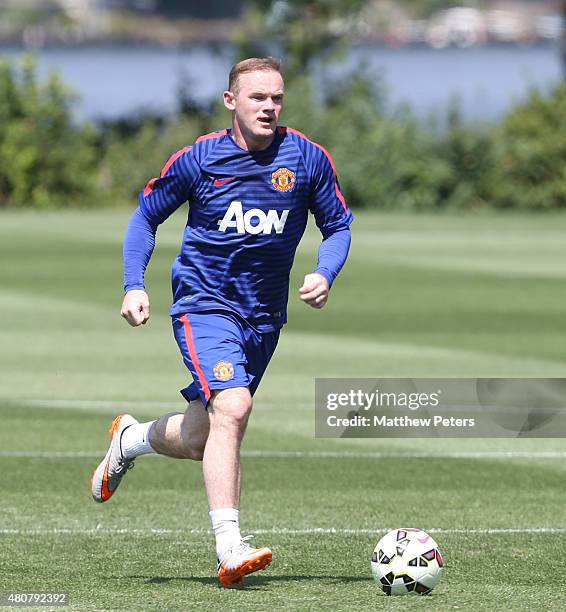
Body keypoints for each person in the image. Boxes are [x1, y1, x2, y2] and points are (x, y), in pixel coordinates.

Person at [90, 57, 353, 588]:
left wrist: (326, 272)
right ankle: (230, 548)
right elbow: (146, 215)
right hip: (204, 305)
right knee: (233, 406)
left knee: (199, 435)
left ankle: (131, 440)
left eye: (277, 98)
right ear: (231, 100)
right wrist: (133, 284)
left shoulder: (306, 159)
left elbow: (339, 226)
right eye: (258, 98)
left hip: (264, 318)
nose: (270, 108)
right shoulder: (201, 159)